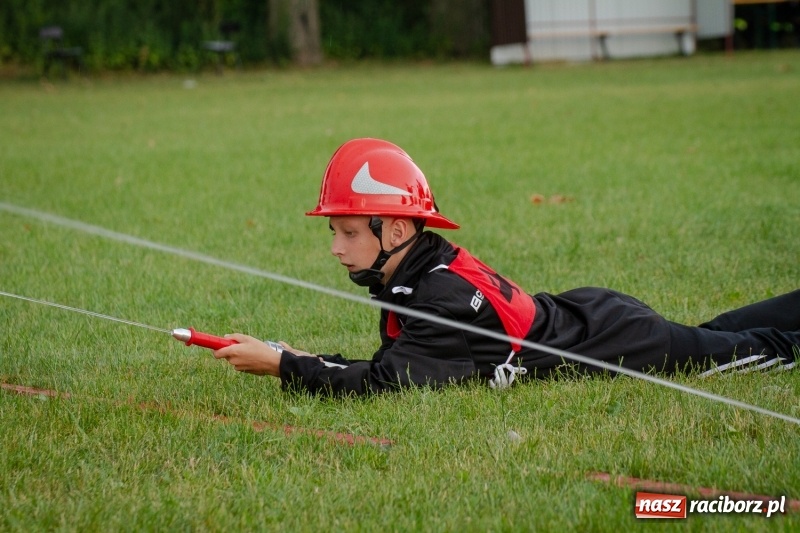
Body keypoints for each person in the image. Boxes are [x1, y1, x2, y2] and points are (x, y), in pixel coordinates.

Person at [215, 138, 800, 396]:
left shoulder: (436, 295)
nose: (336, 248)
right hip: (591, 311)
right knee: (721, 333)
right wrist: (292, 355)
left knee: (751, 351)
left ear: (395, 230)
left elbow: (387, 384)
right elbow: (396, 361)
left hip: (614, 339)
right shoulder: (420, 273)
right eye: (333, 232)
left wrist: (284, 368)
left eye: (346, 232)